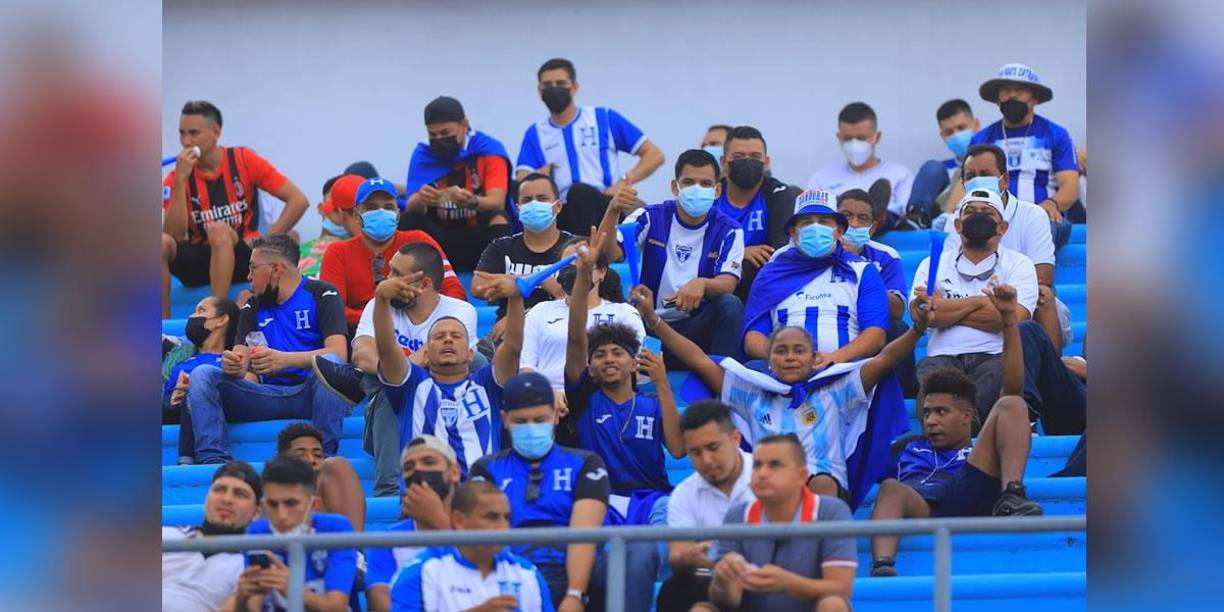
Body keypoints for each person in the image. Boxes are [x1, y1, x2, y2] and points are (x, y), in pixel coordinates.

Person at [631, 279, 918, 505]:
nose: (790, 357)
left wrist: (919, 329)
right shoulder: (752, 393)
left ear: (814, 358)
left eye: (799, 351)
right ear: (769, 360)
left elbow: (884, 360)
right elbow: (699, 360)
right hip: (768, 490)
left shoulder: (837, 389)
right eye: (781, 351)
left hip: (824, 493)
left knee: (821, 484)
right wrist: (654, 321)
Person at [869, 282, 1043, 577]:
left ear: (967, 416)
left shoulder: (977, 450)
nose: (931, 420)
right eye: (926, 413)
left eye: (941, 412)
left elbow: (1013, 387)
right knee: (890, 488)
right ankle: (883, 567)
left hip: (967, 490)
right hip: (921, 503)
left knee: (1012, 402)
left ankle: (1012, 494)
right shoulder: (907, 447)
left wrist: (1008, 319)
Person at [559, 240, 684, 611]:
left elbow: (678, 450)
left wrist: (663, 383)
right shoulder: (584, 398)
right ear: (591, 367)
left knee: (662, 545)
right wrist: (583, 279)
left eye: (618, 353)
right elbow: (576, 335)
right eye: (600, 355)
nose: (608, 359)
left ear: (635, 364)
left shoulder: (651, 401)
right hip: (601, 501)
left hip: (653, 499)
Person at [185, 234, 351, 464]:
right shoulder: (253, 305)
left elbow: (339, 352)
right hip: (265, 395)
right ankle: (213, 461)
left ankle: (324, 458)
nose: (248, 277)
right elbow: (242, 358)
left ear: (276, 269)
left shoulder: (322, 293)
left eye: (253, 269)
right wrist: (235, 365)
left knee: (332, 363)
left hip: (311, 393)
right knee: (203, 374)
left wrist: (284, 360)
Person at [469, 372, 610, 611]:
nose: (531, 428)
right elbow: (486, 534)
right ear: (505, 420)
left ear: (556, 415)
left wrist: (575, 594)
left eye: (539, 419)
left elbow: (583, 534)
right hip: (512, 571)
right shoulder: (486, 468)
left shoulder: (587, 464)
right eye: (521, 422)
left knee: (626, 560)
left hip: (570, 569)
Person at [162, 100, 309, 318]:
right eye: (181, 133)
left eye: (193, 133)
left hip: (243, 255)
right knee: (160, 243)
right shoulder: (176, 176)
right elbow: (174, 235)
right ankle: (163, 328)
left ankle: (215, 313)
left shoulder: (243, 160)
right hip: (200, 259)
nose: (186, 141)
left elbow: (298, 200)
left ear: (216, 132)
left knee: (219, 231)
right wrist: (181, 181)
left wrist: (265, 243)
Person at [374, 265, 525, 477]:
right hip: (425, 495)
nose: (447, 339)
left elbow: (512, 348)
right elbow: (386, 349)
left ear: (471, 353)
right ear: (426, 353)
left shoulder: (487, 384)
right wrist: (381, 300)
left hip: (479, 496)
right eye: (438, 337)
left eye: (456, 336)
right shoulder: (412, 386)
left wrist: (516, 298)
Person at [604, 149, 745, 366]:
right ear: (674, 187)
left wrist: (702, 284)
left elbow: (728, 283)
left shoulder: (730, 230)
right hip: (646, 326)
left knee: (730, 305)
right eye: (688, 182)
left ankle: (721, 383)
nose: (697, 189)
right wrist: (613, 210)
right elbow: (610, 253)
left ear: (717, 190)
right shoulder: (650, 216)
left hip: (695, 331)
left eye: (705, 184)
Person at [910, 188, 1038, 418]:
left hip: (995, 355)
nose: (978, 216)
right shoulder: (932, 263)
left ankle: (974, 428)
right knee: (930, 373)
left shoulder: (1020, 264)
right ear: (958, 225)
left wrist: (945, 308)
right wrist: (982, 302)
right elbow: (925, 315)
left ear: (1003, 227)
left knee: (998, 374)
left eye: (987, 212)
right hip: (942, 357)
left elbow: (1011, 318)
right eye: (971, 211)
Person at [705, 435, 856, 612]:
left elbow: (840, 589)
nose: (762, 473)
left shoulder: (831, 512)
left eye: (774, 465)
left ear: (802, 476)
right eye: (757, 465)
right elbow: (726, 602)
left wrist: (786, 582)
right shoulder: (737, 515)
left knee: (833, 605)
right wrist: (724, 581)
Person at [515, 58, 664, 234]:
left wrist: (625, 180)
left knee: (579, 192)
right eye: (548, 84)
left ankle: (588, 253)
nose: (554, 88)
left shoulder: (603, 118)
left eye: (561, 83)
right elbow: (521, 177)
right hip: (563, 210)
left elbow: (654, 155)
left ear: (575, 87)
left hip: (605, 203)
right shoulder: (535, 133)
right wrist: (539, 173)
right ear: (540, 91)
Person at [742, 188, 888, 367]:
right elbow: (753, 337)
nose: (816, 228)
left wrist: (835, 358)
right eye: (807, 222)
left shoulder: (863, 271)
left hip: (845, 370)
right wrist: (785, 358)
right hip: (782, 371)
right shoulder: (770, 275)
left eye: (824, 222)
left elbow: (875, 334)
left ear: (839, 230)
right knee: (751, 369)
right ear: (794, 233)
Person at [944, 144, 1065, 348]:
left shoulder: (1032, 215)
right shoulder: (954, 220)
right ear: (963, 184)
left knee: (1043, 294)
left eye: (985, 174)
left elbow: (1043, 276)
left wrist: (996, 299)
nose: (977, 180)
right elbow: (947, 275)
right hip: (969, 294)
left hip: (1018, 298)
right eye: (971, 176)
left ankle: (1050, 371)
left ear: (1005, 180)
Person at [950, 63, 1079, 248]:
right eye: (1006, 90)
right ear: (997, 99)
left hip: (1044, 216)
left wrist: (1051, 204)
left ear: (1035, 97)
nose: (1012, 95)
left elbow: (1071, 186)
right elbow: (965, 184)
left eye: (1020, 90)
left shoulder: (1056, 134)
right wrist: (950, 213)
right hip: (991, 218)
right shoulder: (981, 139)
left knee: (1040, 228)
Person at [319, 176, 465, 330]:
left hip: (423, 329)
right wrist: (381, 319)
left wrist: (435, 322)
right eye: (371, 207)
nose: (380, 212)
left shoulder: (420, 240)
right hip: (362, 333)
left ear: (398, 214)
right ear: (356, 215)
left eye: (388, 207)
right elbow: (332, 309)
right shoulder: (337, 253)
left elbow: (454, 290)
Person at [390, 482, 555, 612]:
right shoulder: (420, 572)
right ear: (459, 521)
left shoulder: (527, 573)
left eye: (507, 518)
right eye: (491, 517)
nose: (503, 526)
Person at [656, 401, 756, 612]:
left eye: (713, 447)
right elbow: (677, 556)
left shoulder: (766, 478)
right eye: (696, 452)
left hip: (765, 576)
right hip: (712, 579)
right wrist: (689, 557)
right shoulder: (683, 493)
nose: (707, 460)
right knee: (673, 589)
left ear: (735, 439)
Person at [401, 96, 514, 272]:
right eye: (433, 135)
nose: (439, 139)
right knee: (408, 220)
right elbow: (410, 204)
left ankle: (496, 281)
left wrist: (472, 201)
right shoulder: (424, 154)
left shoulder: (488, 150)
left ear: (464, 125)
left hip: (478, 234)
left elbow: (497, 201)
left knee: (498, 217)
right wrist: (422, 199)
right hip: (439, 237)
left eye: (445, 133)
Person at [232, 455, 357, 612]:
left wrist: (293, 589)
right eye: (273, 504)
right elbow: (254, 605)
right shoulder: (257, 532)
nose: (281, 515)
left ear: (313, 505)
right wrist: (243, 596)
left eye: (291, 503)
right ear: (263, 505)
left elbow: (336, 607)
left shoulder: (336, 527)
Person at [520, 242, 643, 396]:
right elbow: (526, 367)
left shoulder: (625, 313)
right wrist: (549, 397)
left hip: (605, 397)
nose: (575, 272)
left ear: (602, 272)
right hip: (547, 401)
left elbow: (641, 368)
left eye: (584, 265)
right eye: (567, 267)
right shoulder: (540, 311)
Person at [365, 435, 463, 612]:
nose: (418, 470)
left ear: (455, 472)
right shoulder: (387, 540)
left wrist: (438, 521)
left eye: (428, 461)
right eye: (409, 467)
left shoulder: (480, 525)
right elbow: (381, 604)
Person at [835, 188, 916, 394]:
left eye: (862, 218)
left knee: (898, 328)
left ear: (871, 229)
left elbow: (897, 309)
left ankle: (902, 396)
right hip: (835, 322)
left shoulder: (886, 255)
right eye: (846, 216)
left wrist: (857, 264)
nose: (853, 224)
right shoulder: (817, 252)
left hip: (870, 326)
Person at [474, 173, 574, 340]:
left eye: (542, 199)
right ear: (518, 208)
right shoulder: (501, 246)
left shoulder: (574, 248)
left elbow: (572, 296)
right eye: (527, 200)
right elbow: (479, 287)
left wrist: (521, 318)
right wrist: (538, 279)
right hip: (507, 336)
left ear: (558, 206)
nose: (534, 204)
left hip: (562, 332)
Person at [711, 126, 802, 300]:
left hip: (764, 287)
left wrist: (727, 257)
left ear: (766, 162)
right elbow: (698, 250)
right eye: (738, 157)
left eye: (755, 157)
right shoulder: (710, 197)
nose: (747, 162)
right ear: (723, 162)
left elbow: (777, 252)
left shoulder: (779, 194)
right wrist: (740, 252)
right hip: (714, 291)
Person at [163, 462, 261, 612]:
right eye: (219, 490)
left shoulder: (249, 566)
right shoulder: (166, 535)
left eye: (240, 494)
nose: (227, 499)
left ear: (257, 513)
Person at [805, 102, 913, 233]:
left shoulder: (901, 174)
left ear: (877, 137)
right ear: (839, 138)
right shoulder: (821, 178)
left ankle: (874, 218)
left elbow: (908, 215)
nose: (854, 144)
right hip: (834, 232)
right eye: (848, 138)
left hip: (884, 231)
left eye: (861, 138)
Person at [163, 296, 240, 464]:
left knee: (196, 389)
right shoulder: (177, 361)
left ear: (222, 320)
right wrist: (173, 400)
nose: (191, 316)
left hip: (216, 411)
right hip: (174, 413)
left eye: (201, 311)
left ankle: (187, 461)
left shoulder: (233, 360)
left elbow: (246, 389)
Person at [904, 99, 982, 228]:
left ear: (976, 125)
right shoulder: (938, 171)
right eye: (949, 132)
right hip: (939, 221)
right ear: (942, 136)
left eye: (961, 128)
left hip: (976, 218)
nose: (956, 136)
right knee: (932, 168)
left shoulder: (993, 162)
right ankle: (916, 219)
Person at [276, 423, 367, 533]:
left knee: (336, 465)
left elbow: (352, 542)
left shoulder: (334, 469)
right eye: (300, 455)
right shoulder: (267, 495)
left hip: (338, 547)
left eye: (318, 455)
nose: (311, 460)